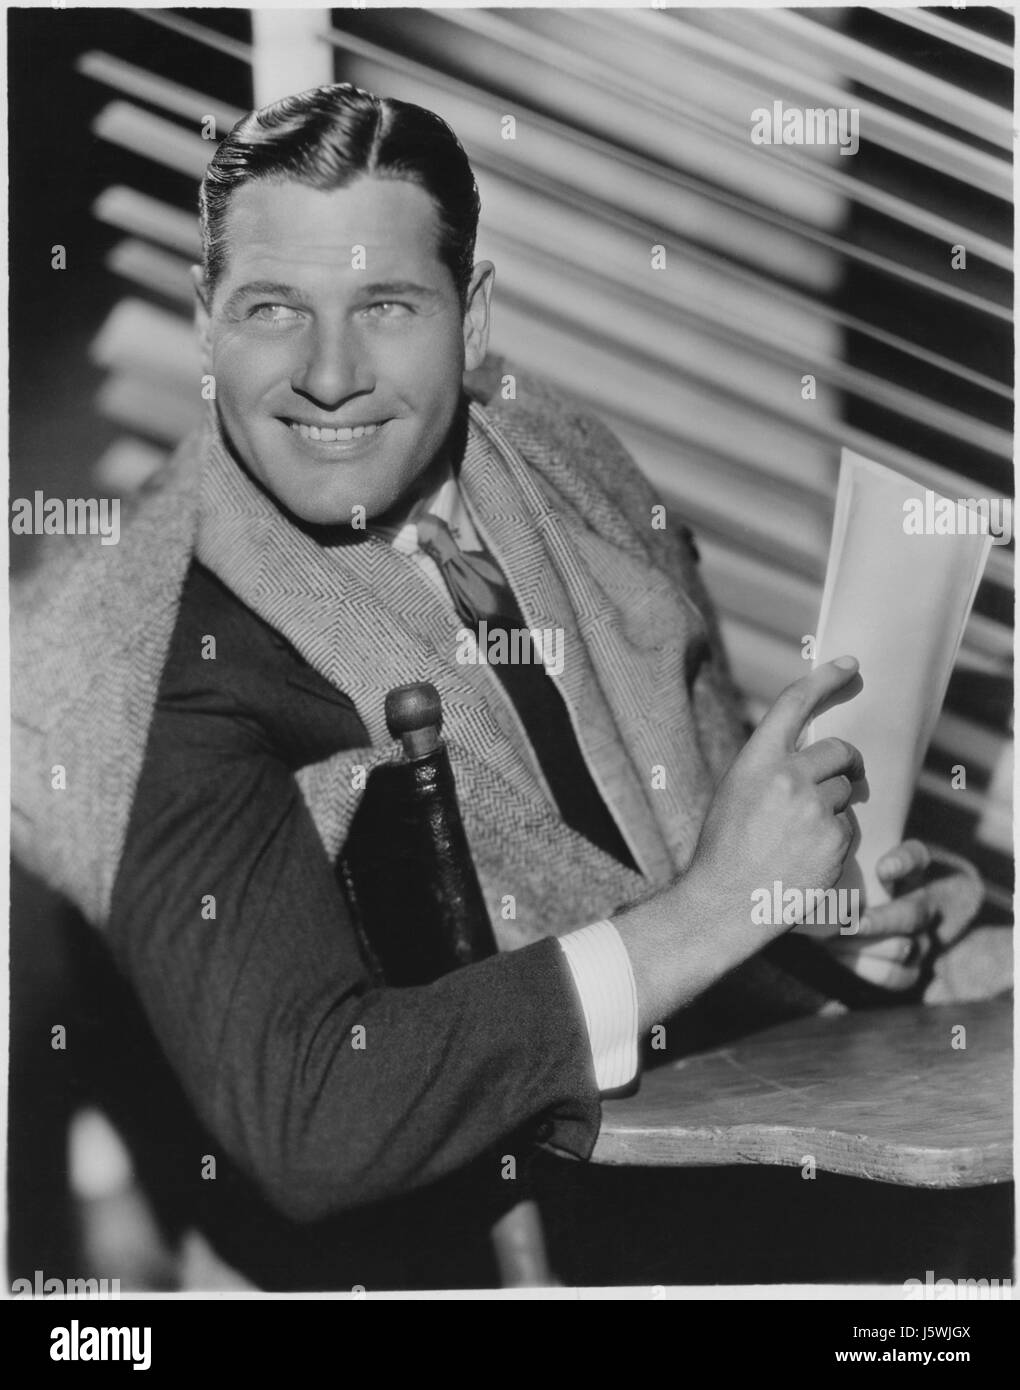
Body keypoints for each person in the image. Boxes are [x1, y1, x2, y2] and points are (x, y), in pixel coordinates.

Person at [10, 82, 995, 1290]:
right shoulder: (148, 652)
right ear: (205, 323)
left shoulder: (568, 467)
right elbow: (309, 1116)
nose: (329, 373)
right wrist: (715, 914)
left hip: (733, 1191)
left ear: (471, 322)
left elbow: (682, 852)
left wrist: (824, 922)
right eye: (274, 309)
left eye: (385, 305)